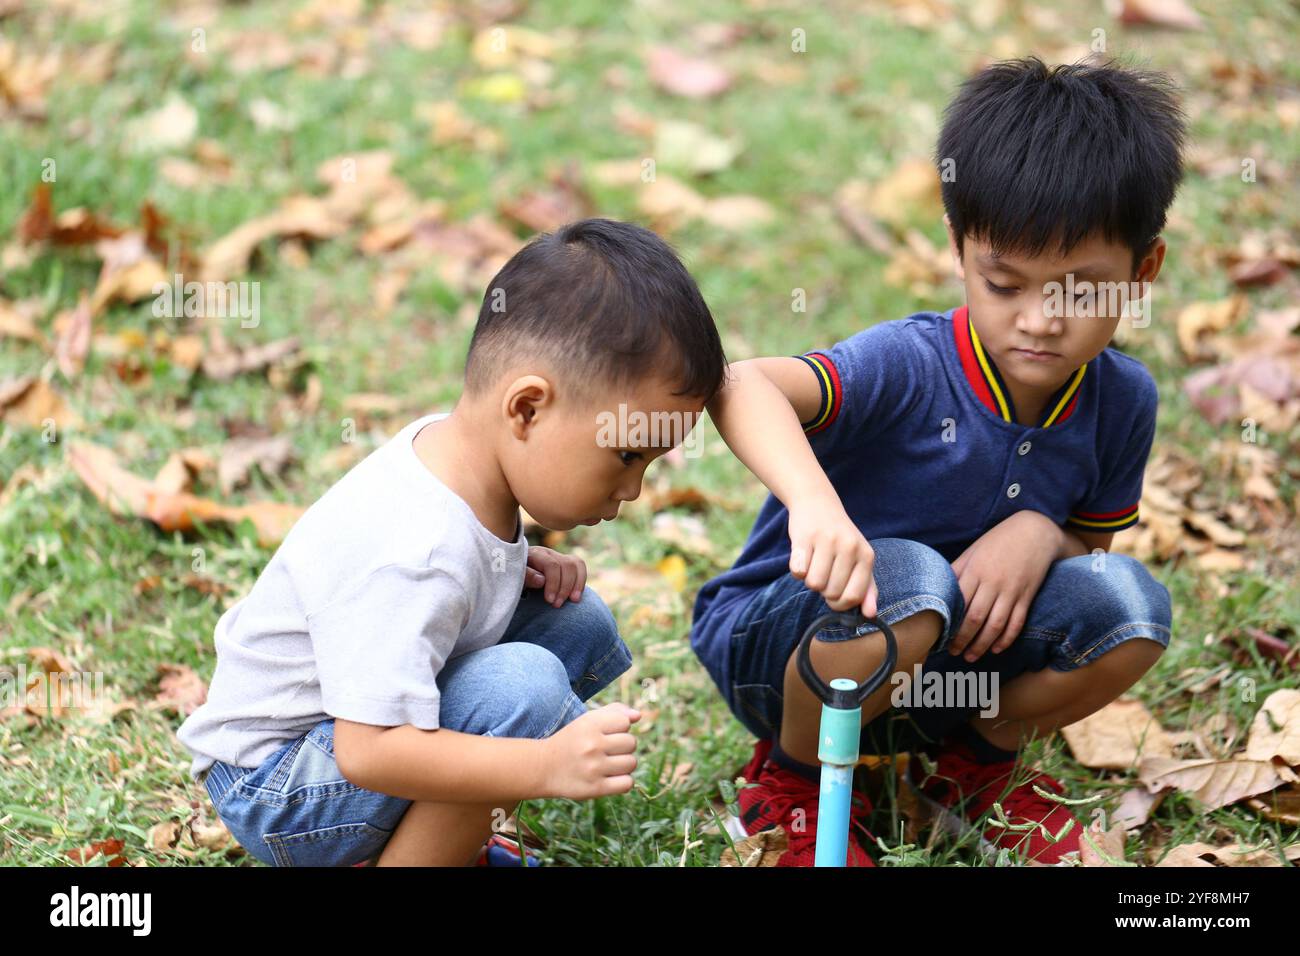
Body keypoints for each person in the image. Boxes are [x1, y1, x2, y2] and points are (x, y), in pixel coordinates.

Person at [692, 57, 1185, 866]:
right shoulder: (909, 364)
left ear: (1143, 273)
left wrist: (1037, 532)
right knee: (915, 581)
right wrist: (815, 505)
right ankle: (793, 781)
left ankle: (974, 768)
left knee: (1130, 609)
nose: (1041, 320)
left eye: (1081, 290)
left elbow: (1086, 558)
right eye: (1005, 282)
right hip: (787, 652)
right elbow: (741, 384)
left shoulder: (1123, 400)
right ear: (960, 251)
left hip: (946, 675)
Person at [178, 218, 728, 866]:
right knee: (522, 689)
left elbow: (456, 569)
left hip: (335, 733)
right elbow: (368, 749)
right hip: (275, 785)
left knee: (573, 622)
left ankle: (442, 835)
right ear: (526, 410)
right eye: (628, 455)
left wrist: (513, 563)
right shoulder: (416, 554)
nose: (633, 489)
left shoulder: (455, 454)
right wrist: (539, 765)